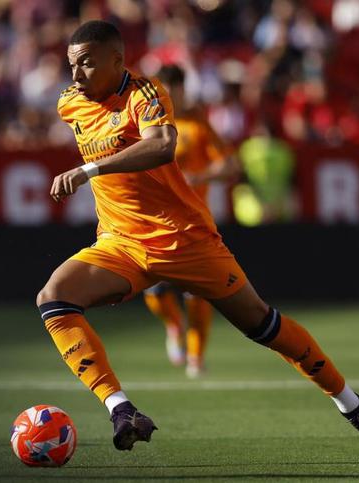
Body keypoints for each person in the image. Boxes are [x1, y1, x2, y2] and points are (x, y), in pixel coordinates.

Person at [37, 20, 359, 456]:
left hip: (185, 240)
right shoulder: (70, 103)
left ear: (117, 60)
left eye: (85, 63)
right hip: (122, 241)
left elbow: (162, 145)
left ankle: (353, 406)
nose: (75, 74)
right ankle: (121, 410)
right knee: (54, 298)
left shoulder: (145, 93)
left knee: (263, 326)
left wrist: (88, 170)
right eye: (71, 65)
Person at [143, 64, 240, 378]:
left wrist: (199, 176)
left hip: (194, 223)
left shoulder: (198, 124)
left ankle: (196, 357)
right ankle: (174, 325)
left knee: (197, 293)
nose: (170, 96)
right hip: (157, 221)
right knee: (154, 291)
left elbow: (230, 165)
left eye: (175, 89)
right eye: (164, 90)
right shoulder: (148, 122)